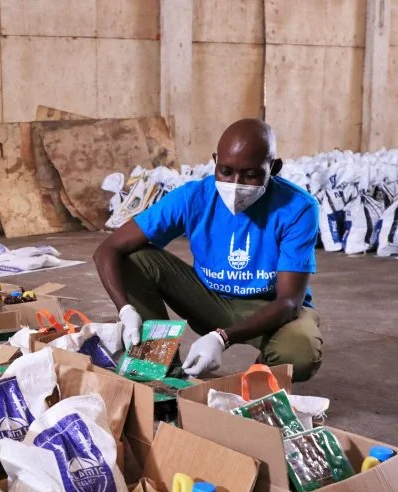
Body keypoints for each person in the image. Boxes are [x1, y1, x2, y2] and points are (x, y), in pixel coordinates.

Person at [93, 118, 322, 382]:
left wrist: (221, 337)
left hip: (269, 308)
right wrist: (126, 310)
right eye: (225, 171)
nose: (235, 184)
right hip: (209, 300)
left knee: (299, 354)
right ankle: (156, 365)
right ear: (215, 161)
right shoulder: (193, 198)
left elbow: (289, 302)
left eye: (251, 175)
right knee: (133, 258)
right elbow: (107, 249)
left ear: (274, 168)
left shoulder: (298, 208)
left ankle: (262, 371)